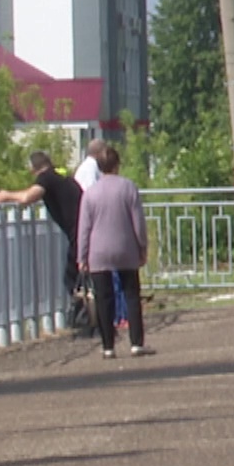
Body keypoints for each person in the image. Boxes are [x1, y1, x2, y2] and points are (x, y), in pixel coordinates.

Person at [74, 146, 151, 359]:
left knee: (103, 298)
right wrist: (142, 246)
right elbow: (138, 223)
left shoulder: (90, 194)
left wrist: (82, 256)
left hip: (98, 252)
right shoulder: (128, 188)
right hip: (126, 248)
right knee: (131, 295)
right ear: (117, 165)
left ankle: (108, 346)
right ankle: (136, 342)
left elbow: (84, 228)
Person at [0, 150, 85, 312]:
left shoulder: (46, 177)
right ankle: (92, 317)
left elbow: (29, 196)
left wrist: (6, 195)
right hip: (84, 229)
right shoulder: (61, 175)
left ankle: (87, 317)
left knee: (73, 278)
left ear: (33, 169)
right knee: (80, 276)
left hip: (78, 233)